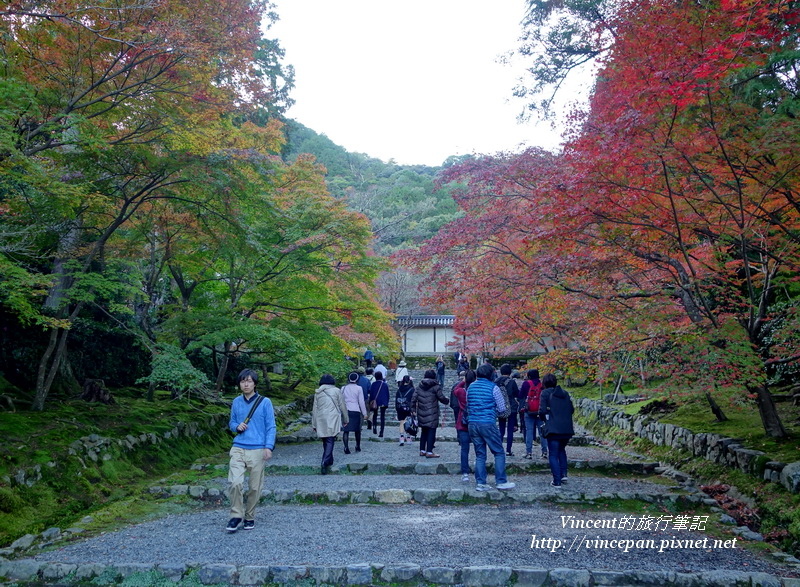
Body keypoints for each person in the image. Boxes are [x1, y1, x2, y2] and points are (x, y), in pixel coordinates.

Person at [226, 368, 276, 533]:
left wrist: (268, 447)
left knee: (255, 487)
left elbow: (271, 426)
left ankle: (249, 516)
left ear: (254, 383)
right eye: (242, 381)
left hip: (257, 449)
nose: (246, 384)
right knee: (235, 482)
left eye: (249, 381)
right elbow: (232, 423)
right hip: (239, 446)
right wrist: (236, 426)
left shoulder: (265, 402)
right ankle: (235, 516)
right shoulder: (236, 402)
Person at [467, 363, 516, 491]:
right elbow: (501, 408)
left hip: (472, 423)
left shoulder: (471, 387)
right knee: (499, 452)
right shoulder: (493, 387)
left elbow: (468, 404)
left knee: (480, 454)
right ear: (491, 374)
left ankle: (481, 483)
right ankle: (501, 481)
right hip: (487, 422)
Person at [538, 373, 574, 488]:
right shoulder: (565, 393)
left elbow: (542, 411)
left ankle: (556, 480)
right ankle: (563, 474)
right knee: (562, 450)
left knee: (553, 454)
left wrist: (545, 420)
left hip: (553, 428)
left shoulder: (545, 393)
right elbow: (571, 409)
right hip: (566, 428)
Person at [312, 374, 348, 474]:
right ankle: (324, 461)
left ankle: (329, 460)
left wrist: (314, 424)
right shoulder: (336, 391)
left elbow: (315, 409)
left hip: (320, 417)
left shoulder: (318, 392)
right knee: (330, 438)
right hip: (332, 417)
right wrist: (346, 419)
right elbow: (342, 405)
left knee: (325, 439)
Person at [410, 369, 449, 458]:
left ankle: (422, 450)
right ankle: (429, 452)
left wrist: (412, 410)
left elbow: (413, 399)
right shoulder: (436, 386)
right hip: (432, 412)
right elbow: (441, 397)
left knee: (424, 431)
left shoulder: (419, 386)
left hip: (421, 412)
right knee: (431, 431)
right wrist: (447, 401)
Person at [452, 369, 476, 482]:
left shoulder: (461, 392)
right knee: (479, 448)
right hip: (476, 421)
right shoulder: (477, 391)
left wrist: (463, 381)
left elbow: (455, 390)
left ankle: (465, 472)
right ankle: (479, 469)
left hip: (463, 422)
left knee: (464, 449)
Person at [521, 369, 547, 459]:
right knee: (542, 432)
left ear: (529, 376)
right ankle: (544, 452)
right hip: (540, 411)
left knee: (529, 431)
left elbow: (520, 395)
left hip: (529, 410)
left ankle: (529, 452)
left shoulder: (526, 384)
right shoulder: (542, 384)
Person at [495, 364, 520, 456]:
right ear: (509, 372)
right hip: (511, 407)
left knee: (501, 429)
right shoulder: (512, 382)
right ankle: (508, 450)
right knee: (510, 430)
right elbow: (517, 394)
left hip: (501, 407)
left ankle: (499, 448)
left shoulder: (496, 381)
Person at [341, 372, 367, 453]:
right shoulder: (359, 388)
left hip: (346, 410)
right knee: (357, 430)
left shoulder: (343, 388)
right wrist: (365, 413)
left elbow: (341, 401)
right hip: (355, 410)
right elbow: (361, 402)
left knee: (346, 430)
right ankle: (357, 446)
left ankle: (346, 447)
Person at [368, 371, 390, 437]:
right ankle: (381, 431)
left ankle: (374, 427)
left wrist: (370, 402)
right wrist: (386, 402)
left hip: (375, 401)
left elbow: (371, 393)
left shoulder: (373, 384)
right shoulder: (384, 384)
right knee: (382, 416)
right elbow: (387, 394)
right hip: (383, 401)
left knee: (375, 414)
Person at [395, 374, 415, 445]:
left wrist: (397, 408)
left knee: (401, 422)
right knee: (409, 422)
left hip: (400, 407)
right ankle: (408, 437)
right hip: (408, 407)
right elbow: (414, 400)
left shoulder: (399, 389)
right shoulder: (412, 389)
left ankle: (401, 438)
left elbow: (396, 399)